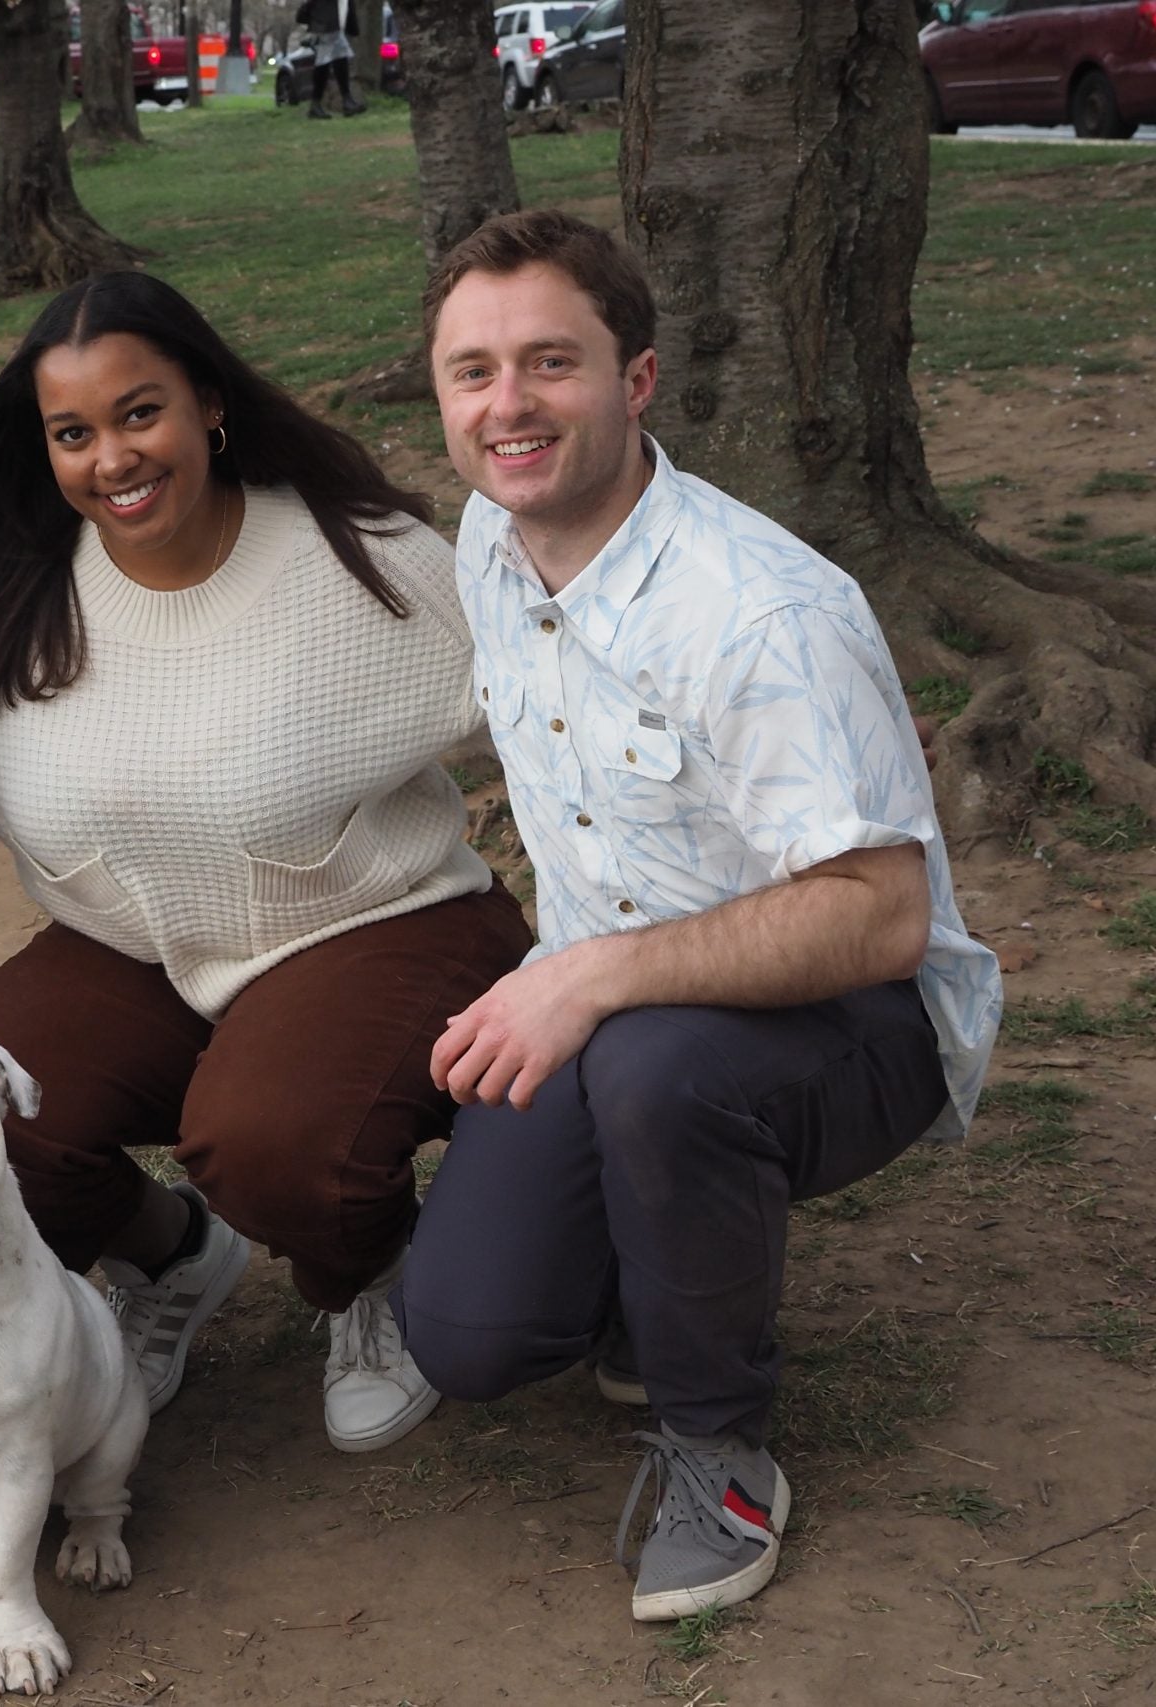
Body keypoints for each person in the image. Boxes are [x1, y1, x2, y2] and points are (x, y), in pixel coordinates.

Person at [400, 208, 1001, 1622]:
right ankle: (651, 1267)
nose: (509, 406)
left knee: (662, 1069)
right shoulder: (492, 535)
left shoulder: (757, 613)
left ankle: (719, 1446)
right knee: (470, 1335)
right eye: (472, 371)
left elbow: (878, 918)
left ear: (640, 379)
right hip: (620, 1005)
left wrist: (598, 975)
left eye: (553, 362)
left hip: (850, 1023)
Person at [0, 272, 533, 1455]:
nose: (111, 458)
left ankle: (364, 1280)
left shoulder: (359, 561)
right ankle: (175, 1257)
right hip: (142, 946)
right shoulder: (10, 600)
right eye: (72, 433)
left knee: (273, 1137)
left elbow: (556, 688)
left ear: (209, 408)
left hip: (379, 919)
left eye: (141, 413)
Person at [298, 0, 364, 118]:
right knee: (334, 59)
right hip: (326, 26)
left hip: (331, 26)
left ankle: (321, 103)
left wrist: (352, 27)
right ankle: (344, 100)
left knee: (328, 62)